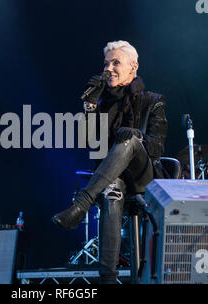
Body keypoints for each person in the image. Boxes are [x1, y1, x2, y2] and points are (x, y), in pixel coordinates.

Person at [52, 40, 168, 284]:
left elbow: (157, 148)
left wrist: (136, 135)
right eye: (106, 64)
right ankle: (107, 278)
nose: (109, 69)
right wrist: (90, 106)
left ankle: (81, 204)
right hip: (113, 178)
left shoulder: (153, 100)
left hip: (144, 179)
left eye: (116, 63)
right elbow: (88, 143)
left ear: (133, 67)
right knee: (111, 190)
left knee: (130, 140)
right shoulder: (103, 104)